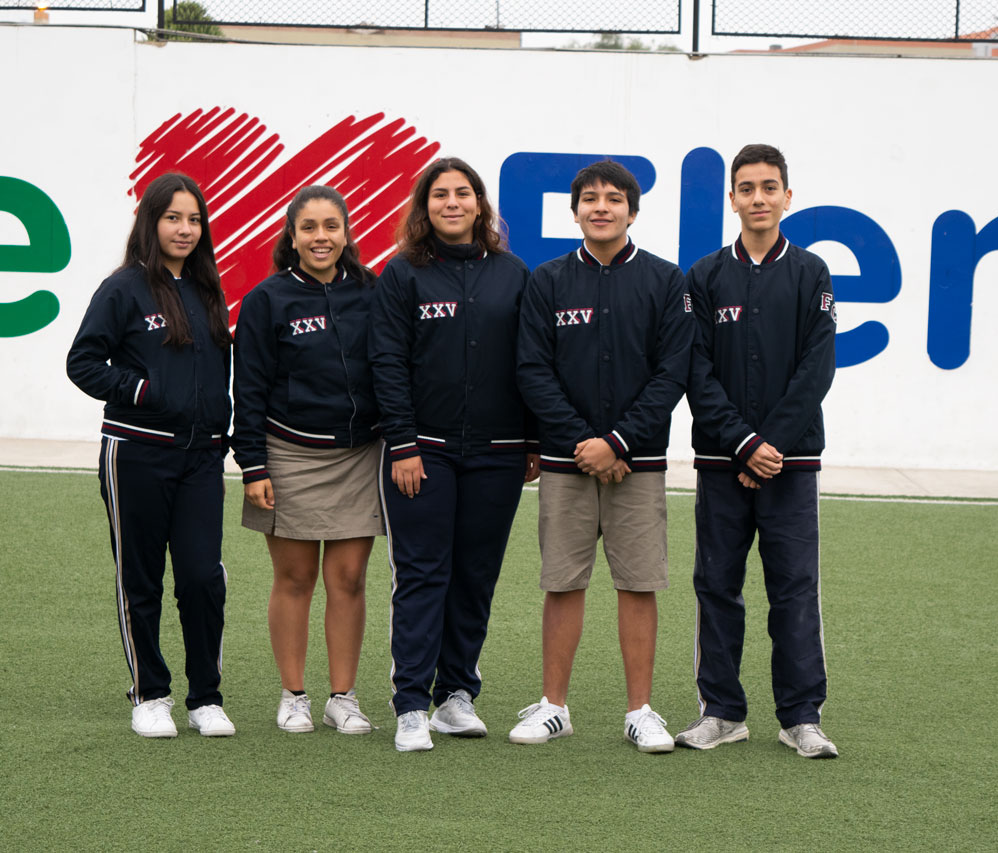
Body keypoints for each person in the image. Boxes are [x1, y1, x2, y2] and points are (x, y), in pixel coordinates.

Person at [512, 159, 693, 753]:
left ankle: (640, 710)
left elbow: (672, 374)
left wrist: (617, 442)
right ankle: (553, 706)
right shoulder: (547, 281)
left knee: (638, 585)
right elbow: (533, 371)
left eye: (614, 198)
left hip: (636, 464)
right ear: (574, 211)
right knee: (562, 583)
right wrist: (584, 444)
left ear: (632, 211)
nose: (601, 207)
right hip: (568, 464)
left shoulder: (667, 282)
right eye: (589, 198)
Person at [370, 157, 540, 752]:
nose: (452, 203)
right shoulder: (402, 275)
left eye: (462, 194)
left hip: (499, 454)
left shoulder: (515, 274)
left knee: (475, 575)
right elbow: (386, 364)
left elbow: (532, 364)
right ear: (424, 206)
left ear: (480, 204)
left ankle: (455, 696)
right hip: (424, 455)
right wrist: (404, 443)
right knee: (422, 573)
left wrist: (535, 441)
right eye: (439, 194)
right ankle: (412, 704)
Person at [678, 143, 839, 758]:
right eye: (747, 188)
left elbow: (816, 369)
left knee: (794, 588)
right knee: (716, 584)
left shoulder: (811, 273)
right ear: (732, 200)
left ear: (787, 197)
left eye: (769, 187)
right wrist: (743, 444)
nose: (758, 198)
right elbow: (695, 370)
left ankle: (801, 717)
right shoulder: (705, 276)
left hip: (790, 464)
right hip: (724, 461)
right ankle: (722, 712)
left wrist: (770, 445)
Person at [66, 172, 235, 739]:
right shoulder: (124, 289)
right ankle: (150, 694)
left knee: (201, 577)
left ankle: (204, 697)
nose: (185, 229)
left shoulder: (210, 287)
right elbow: (83, 362)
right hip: (136, 454)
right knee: (142, 578)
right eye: (173, 218)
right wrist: (142, 390)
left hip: (201, 459)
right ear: (150, 222)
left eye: (193, 219)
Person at [232, 185, 382, 736]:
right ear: (291, 237)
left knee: (348, 578)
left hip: (360, 455)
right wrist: (253, 466)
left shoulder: (372, 292)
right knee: (294, 577)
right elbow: (247, 389)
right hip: (288, 453)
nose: (322, 238)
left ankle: (342, 697)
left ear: (347, 233)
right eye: (309, 228)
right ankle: (293, 695)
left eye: (331, 227)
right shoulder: (267, 299)